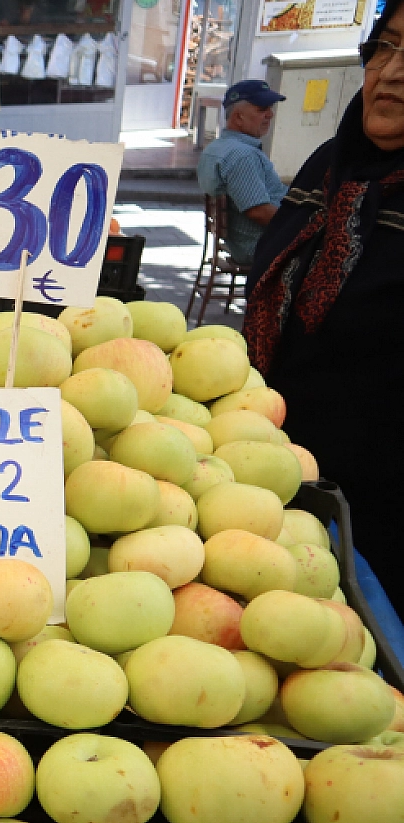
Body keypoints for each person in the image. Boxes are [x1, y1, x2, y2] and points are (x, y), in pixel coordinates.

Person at [244, 0, 404, 596]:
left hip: (384, 509)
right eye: (385, 46)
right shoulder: (328, 166)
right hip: (278, 481)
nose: (389, 72)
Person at [196, 79, 289, 267]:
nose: (270, 115)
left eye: (270, 108)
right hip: (259, 246)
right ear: (238, 117)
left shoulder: (216, 147)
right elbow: (258, 212)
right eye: (262, 109)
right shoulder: (243, 155)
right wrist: (302, 222)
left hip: (243, 243)